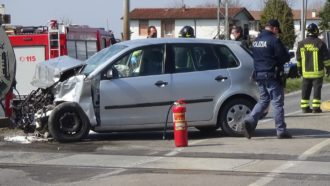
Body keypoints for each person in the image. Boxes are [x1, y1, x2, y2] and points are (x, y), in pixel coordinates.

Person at [241, 19, 291, 139]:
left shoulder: (256, 41)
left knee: (263, 100)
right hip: (271, 76)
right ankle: (281, 131)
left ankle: (250, 120)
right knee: (277, 103)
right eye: (277, 30)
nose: (277, 33)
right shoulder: (274, 40)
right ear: (274, 28)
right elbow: (283, 57)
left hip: (259, 75)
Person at [296, 23, 330, 113]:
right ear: (316, 31)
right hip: (317, 73)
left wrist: (299, 70)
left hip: (305, 73)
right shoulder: (320, 43)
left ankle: (305, 107)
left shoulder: (301, 43)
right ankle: (316, 108)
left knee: (305, 89)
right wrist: (328, 69)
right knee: (317, 90)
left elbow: (298, 59)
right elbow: (326, 58)